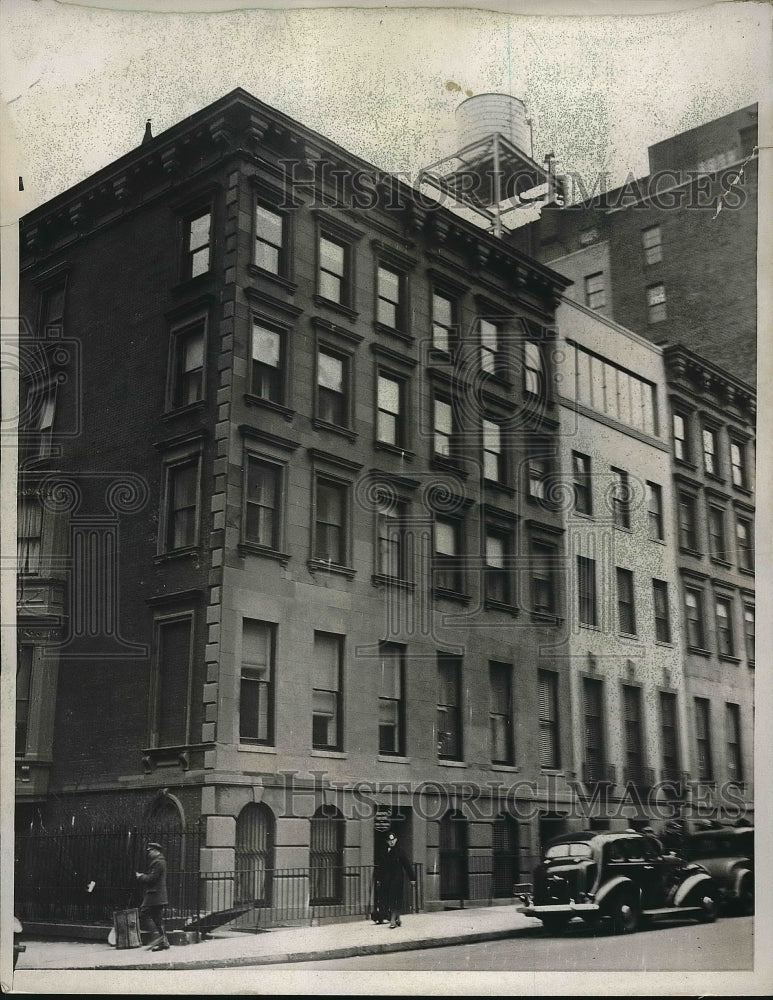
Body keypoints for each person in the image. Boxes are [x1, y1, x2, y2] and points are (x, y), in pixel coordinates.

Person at [375, 832, 415, 929]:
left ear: (396, 840)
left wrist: (412, 878)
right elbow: (381, 866)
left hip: (397, 879)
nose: (391, 842)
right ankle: (397, 918)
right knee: (389, 899)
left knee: (395, 898)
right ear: (387, 841)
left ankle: (393, 920)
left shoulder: (400, 851)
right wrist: (379, 879)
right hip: (387, 879)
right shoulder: (384, 851)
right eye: (389, 841)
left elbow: (407, 865)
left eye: (393, 840)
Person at [136, 841, 170, 951]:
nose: (148, 853)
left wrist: (141, 877)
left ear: (156, 851)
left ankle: (157, 938)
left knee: (144, 913)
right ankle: (164, 942)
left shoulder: (158, 862)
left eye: (150, 851)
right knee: (157, 919)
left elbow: (152, 879)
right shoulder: (160, 861)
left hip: (154, 895)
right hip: (158, 895)